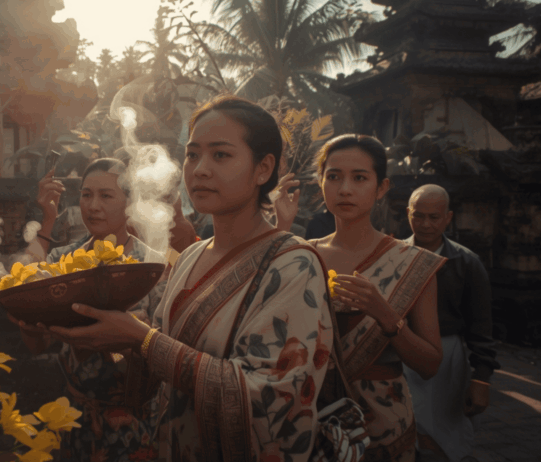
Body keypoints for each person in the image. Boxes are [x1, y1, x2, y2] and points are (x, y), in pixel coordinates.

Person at [46, 95, 333, 461]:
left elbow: (269, 401)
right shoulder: (191, 257)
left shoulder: (293, 264)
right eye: (192, 154)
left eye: (221, 155)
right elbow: (156, 372)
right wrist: (104, 335)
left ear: (263, 168)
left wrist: (142, 340)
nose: (199, 169)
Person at [276, 134, 445, 462]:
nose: (345, 189)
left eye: (360, 178)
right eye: (334, 177)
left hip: (383, 423)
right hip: (310, 416)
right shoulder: (302, 255)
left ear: (381, 188)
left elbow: (430, 364)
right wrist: (280, 225)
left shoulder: (411, 262)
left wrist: (385, 315)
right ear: (321, 183)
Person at [15, 158, 162, 462]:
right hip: (77, 418)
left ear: (129, 203)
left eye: (106, 196)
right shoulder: (63, 260)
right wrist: (28, 322)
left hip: (138, 425)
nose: (93, 206)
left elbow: (167, 350)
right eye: (86, 194)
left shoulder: (153, 266)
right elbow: (37, 344)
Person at [403, 185, 498, 462]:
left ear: (448, 217)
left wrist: (481, 378)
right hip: (402, 352)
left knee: (445, 437)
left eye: (434, 217)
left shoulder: (466, 262)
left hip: (447, 356)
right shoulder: (394, 256)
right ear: (408, 214)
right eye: (418, 216)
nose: (425, 224)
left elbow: (481, 326)